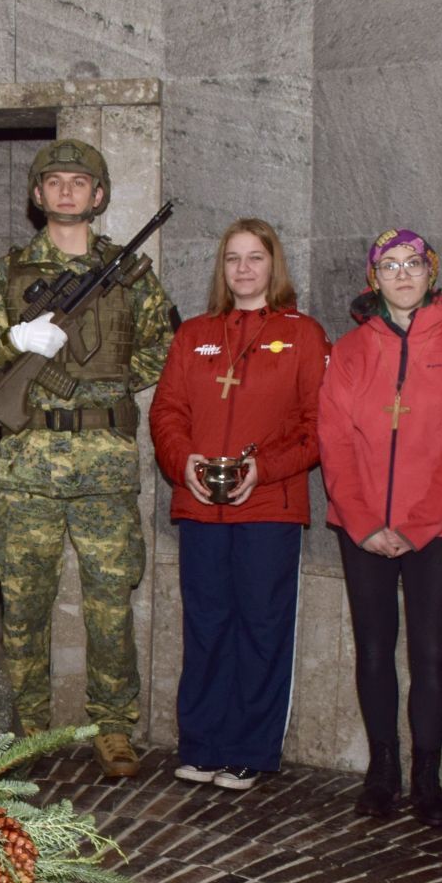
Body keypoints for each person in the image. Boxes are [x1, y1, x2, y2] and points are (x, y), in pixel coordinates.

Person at [0, 138, 178, 776]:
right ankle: (27, 730)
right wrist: (15, 342)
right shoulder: (7, 273)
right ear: (37, 194)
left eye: (81, 181)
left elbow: (165, 345)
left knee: (111, 605)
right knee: (24, 607)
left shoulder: (129, 273)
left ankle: (114, 727)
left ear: (98, 194)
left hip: (105, 466)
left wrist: (101, 384)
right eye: (55, 181)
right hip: (29, 467)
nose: (68, 190)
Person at [148, 218, 327, 791]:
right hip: (201, 504)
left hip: (270, 506)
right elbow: (167, 411)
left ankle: (250, 749)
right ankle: (202, 745)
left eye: (255, 257)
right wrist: (185, 463)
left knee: (262, 626)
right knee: (205, 626)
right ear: (221, 268)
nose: (243, 268)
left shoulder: (303, 335)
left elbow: (318, 426)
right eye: (233, 258)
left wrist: (263, 469)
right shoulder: (194, 334)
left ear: (274, 265)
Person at [317, 230, 442, 826]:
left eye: (413, 263)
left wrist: (416, 526)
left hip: (438, 529)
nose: (403, 274)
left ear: (430, 272)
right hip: (361, 527)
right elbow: (334, 439)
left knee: (432, 652)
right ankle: (382, 768)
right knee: (373, 647)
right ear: (374, 278)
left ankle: (427, 777)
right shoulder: (351, 349)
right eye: (389, 266)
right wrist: (363, 522)